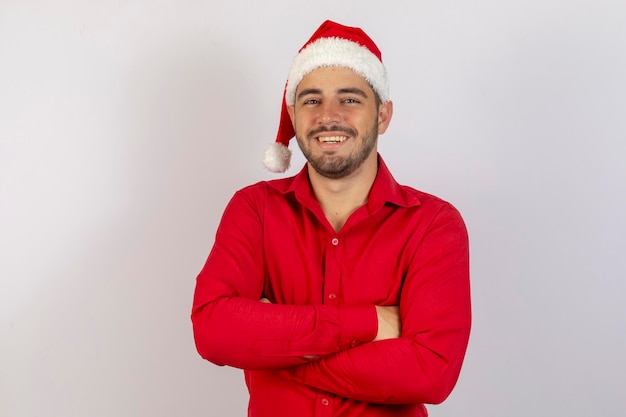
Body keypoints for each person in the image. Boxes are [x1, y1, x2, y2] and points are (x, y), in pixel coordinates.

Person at [191, 20, 471, 417]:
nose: (328, 116)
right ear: (293, 113)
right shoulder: (255, 209)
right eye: (311, 100)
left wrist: (276, 351)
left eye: (350, 99)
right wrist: (370, 324)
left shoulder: (433, 224)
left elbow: (431, 374)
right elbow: (213, 331)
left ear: (383, 116)